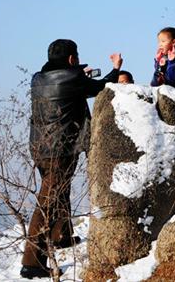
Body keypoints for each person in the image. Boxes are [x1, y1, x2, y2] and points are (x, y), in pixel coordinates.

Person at [21, 39, 122, 279]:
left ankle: (61, 235)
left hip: (39, 148)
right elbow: (102, 86)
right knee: (47, 201)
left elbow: (63, 83)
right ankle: (32, 262)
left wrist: (78, 75)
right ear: (71, 59)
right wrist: (116, 68)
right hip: (61, 148)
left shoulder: (37, 78)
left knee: (58, 189)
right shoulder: (74, 79)